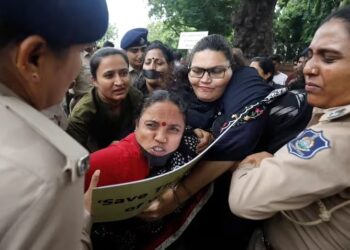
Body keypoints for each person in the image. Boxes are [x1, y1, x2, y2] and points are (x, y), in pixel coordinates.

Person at [141, 34, 311, 249]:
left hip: (234, 207)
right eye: (198, 71)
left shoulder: (245, 82)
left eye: (216, 71)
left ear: (232, 69)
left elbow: (237, 140)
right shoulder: (179, 94)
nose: (204, 79)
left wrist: (177, 196)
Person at [229, 5, 350, 249]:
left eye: (328, 58)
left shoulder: (340, 135)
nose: (308, 68)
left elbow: (245, 199)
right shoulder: (325, 113)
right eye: (311, 54)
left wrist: (250, 163)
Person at [0, 0, 108, 249]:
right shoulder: (52, 174)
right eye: (81, 52)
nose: (81, 64)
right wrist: (81, 219)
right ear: (33, 58)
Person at [85, 90, 201, 250]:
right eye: (151, 125)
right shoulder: (114, 159)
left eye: (174, 129)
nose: (161, 137)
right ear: (136, 123)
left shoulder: (191, 142)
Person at [66, 48, 143, 152]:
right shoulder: (81, 115)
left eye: (124, 73)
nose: (119, 82)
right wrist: (108, 153)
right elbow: (74, 156)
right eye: (109, 75)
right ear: (94, 81)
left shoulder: (135, 97)